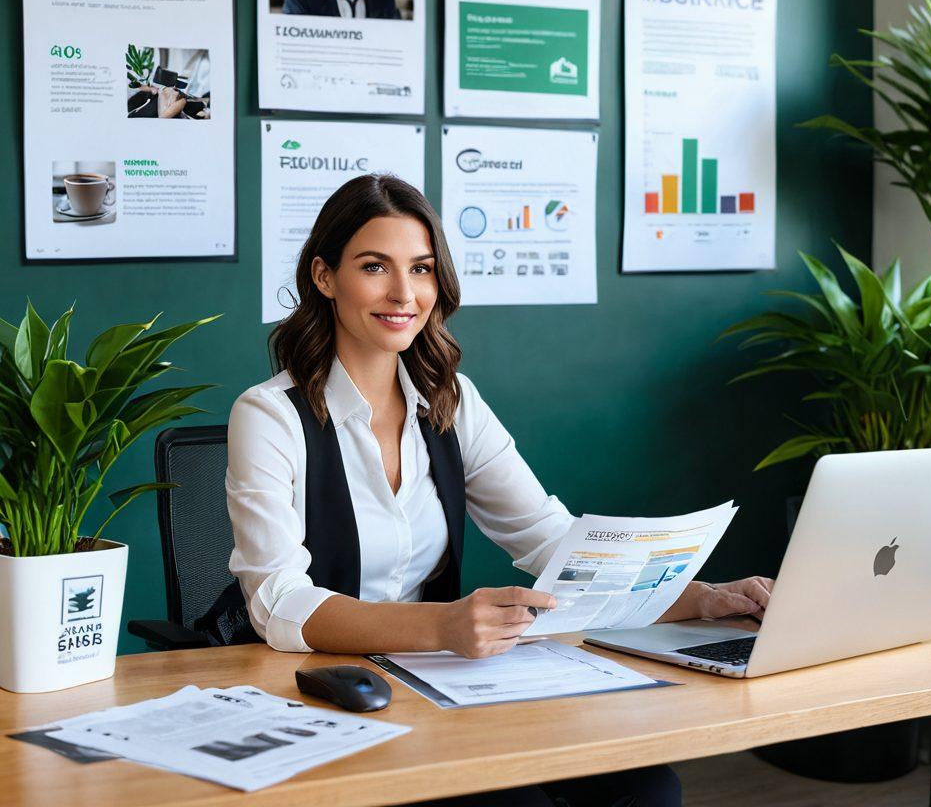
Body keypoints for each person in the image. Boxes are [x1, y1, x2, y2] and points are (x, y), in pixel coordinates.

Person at [226, 174, 773, 807]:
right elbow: (277, 602)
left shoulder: (450, 403)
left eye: (422, 269)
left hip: (436, 684)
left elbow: (550, 542)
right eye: (375, 267)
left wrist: (701, 598)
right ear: (325, 277)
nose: (404, 293)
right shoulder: (270, 416)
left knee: (647, 789)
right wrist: (444, 626)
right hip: (321, 691)